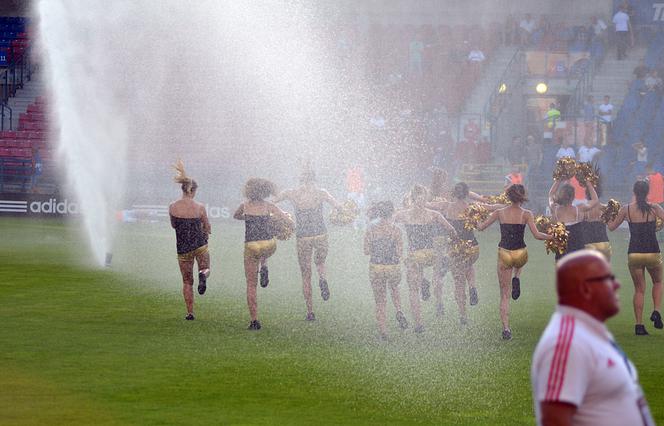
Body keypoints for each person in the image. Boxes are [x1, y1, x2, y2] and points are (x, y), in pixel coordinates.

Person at [531, 250, 655, 426]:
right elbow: (554, 420)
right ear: (585, 288)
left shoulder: (588, 331)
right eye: (608, 279)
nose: (617, 284)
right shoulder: (565, 344)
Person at [477, 184, 552, 340]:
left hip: (504, 253)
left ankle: (506, 329)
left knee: (504, 294)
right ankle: (517, 276)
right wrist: (552, 237)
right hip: (520, 254)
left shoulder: (499, 212)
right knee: (520, 260)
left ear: (508, 196)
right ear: (522, 197)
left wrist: (474, 220)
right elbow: (537, 235)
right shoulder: (527, 214)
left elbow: (481, 227)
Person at [273, 170, 341, 321]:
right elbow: (338, 207)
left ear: (300, 180)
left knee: (306, 274)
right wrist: (340, 214)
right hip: (321, 234)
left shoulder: (292, 193)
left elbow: (273, 201)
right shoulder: (321, 192)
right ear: (314, 179)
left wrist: (280, 216)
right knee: (320, 262)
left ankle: (310, 312)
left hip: (303, 236)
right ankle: (323, 278)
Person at [427, 182, 495, 324]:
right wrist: (504, 207)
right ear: (466, 193)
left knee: (458, 282)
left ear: (454, 193)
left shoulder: (446, 206)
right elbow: (488, 213)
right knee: (469, 265)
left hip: (455, 249)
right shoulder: (471, 207)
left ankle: (463, 316)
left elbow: (428, 205)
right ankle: (472, 286)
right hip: (472, 247)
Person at [394, 184, 457, 332]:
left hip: (414, 256)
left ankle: (418, 324)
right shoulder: (434, 214)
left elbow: (389, 225)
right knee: (433, 273)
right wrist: (449, 247)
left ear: (412, 198)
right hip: (431, 255)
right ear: (425, 198)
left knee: (413, 290)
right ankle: (428, 287)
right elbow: (452, 231)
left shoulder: (403, 214)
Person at [234, 178, 293, 330]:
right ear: (265, 191)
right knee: (265, 247)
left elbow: (236, 216)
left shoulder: (245, 206)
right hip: (269, 245)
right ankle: (264, 265)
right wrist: (283, 222)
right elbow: (288, 222)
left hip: (251, 245)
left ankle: (254, 321)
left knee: (251, 285)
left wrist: (246, 217)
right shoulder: (269, 206)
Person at [608, 180, 664, 335]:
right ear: (647, 192)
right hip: (653, 251)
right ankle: (656, 311)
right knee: (658, 282)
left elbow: (611, 227)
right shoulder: (654, 208)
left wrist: (607, 215)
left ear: (634, 191)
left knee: (639, 289)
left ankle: (639, 326)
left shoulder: (626, 209)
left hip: (634, 253)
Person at [169, 161, 211, 321]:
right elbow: (207, 226)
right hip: (200, 245)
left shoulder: (172, 207)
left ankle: (190, 313)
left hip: (183, 248)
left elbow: (174, 225)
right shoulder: (199, 207)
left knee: (187, 281)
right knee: (206, 268)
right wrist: (206, 233)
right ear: (193, 191)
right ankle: (203, 275)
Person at [364, 201, 408, 339]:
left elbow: (366, 251)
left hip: (376, 267)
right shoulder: (396, 230)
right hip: (393, 267)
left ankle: (383, 331)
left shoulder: (371, 229)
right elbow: (400, 252)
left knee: (380, 300)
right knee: (394, 288)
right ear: (391, 213)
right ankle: (399, 310)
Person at [549, 179, 599, 261]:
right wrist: (589, 184)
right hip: (577, 248)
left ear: (561, 196)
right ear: (573, 197)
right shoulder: (579, 208)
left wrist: (558, 180)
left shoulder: (555, 209)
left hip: (562, 250)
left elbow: (551, 194)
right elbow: (595, 200)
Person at [583, 179, 612, 261]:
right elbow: (611, 227)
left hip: (588, 243)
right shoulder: (605, 208)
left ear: (586, 193)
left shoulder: (583, 209)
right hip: (604, 242)